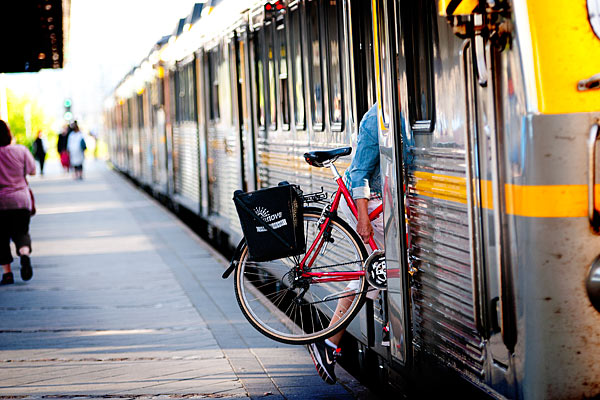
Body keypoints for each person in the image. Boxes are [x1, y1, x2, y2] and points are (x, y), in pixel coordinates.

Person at [307, 103, 385, 384]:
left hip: (381, 205)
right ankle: (327, 342)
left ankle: (328, 343)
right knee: (376, 273)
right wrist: (363, 219)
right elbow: (360, 172)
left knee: (376, 274)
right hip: (370, 206)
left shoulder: (395, 112)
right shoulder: (376, 118)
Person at [0, 120, 35, 285]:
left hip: (1, 202)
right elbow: (32, 170)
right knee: (21, 232)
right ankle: (24, 254)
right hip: (21, 200)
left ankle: (7, 274)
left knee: (1, 237)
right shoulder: (21, 150)